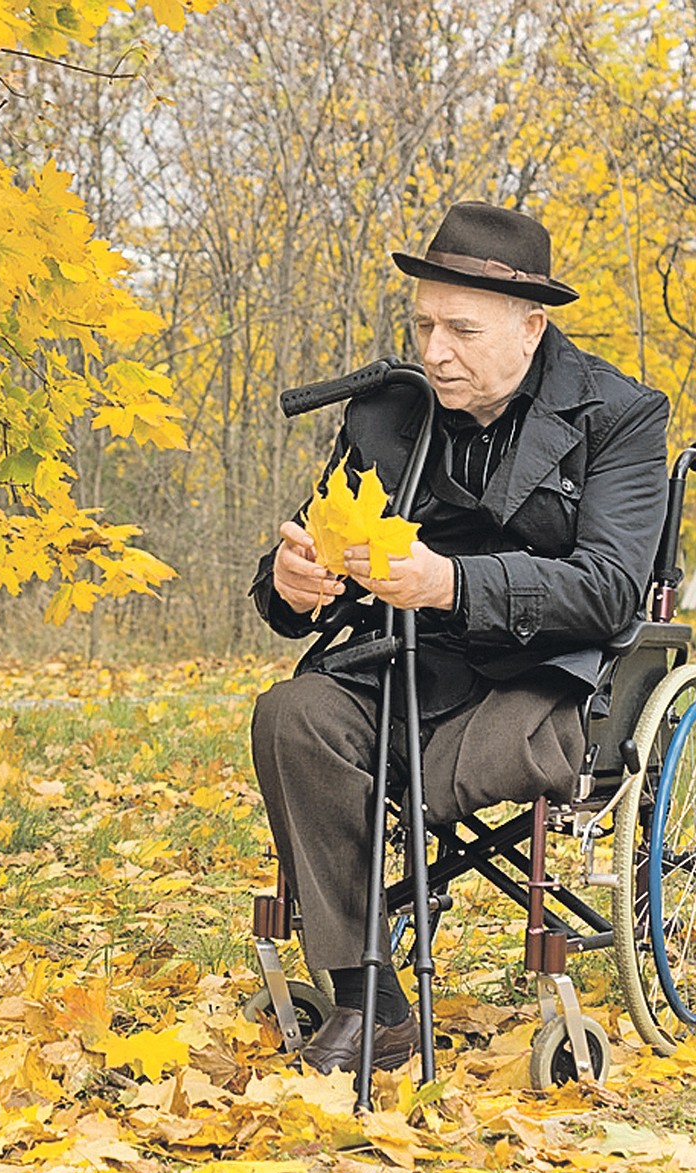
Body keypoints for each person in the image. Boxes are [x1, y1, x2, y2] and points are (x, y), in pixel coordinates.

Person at [249, 201, 670, 1075]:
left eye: (461, 330)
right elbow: (311, 540)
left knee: (436, 769)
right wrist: (290, 582)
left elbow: (610, 588)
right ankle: (372, 1003)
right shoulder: (385, 414)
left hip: (543, 672)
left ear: (530, 327)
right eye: (424, 325)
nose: (434, 350)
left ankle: (401, 862)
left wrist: (453, 582)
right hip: (404, 663)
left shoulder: (619, 416)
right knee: (292, 717)